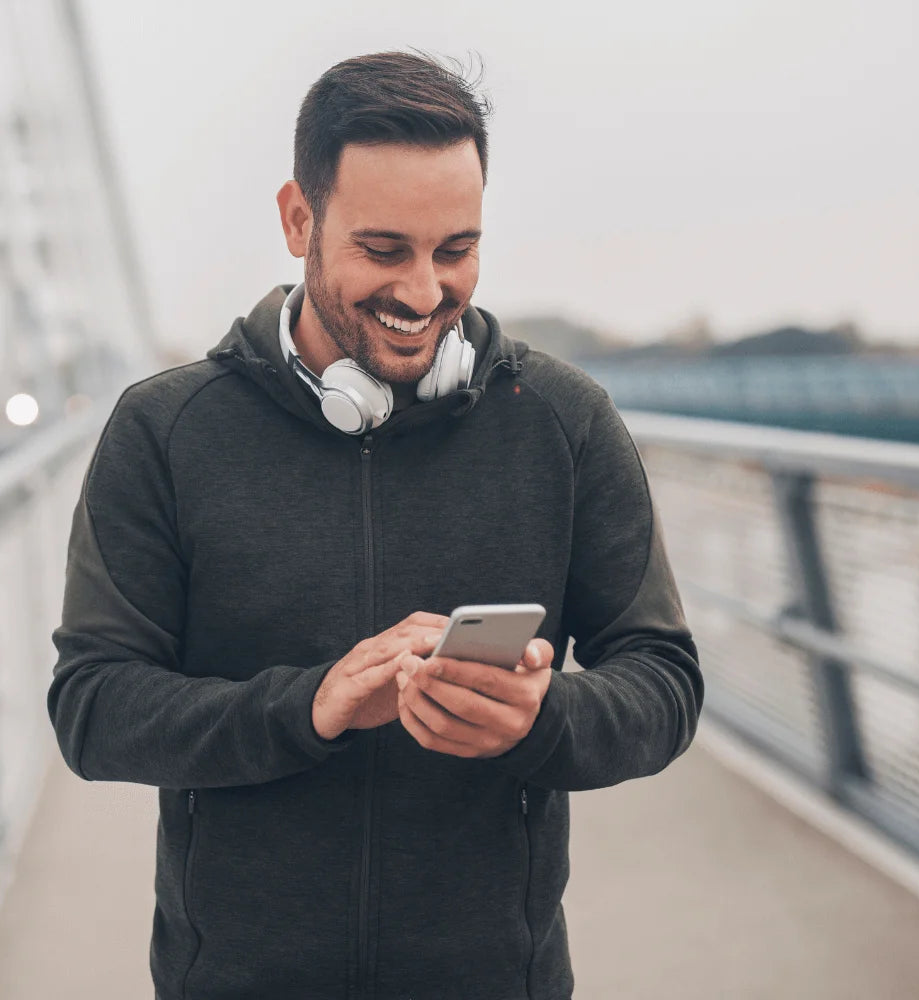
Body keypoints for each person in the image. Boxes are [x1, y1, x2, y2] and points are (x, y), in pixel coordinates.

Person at [48, 50, 703, 1000]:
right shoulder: (165, 433)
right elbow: (93, 709)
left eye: (457, 250)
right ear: (298, 219)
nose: (427, 293)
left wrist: (542, 717)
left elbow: (665, 683)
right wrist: (307, 708)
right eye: (385, 251)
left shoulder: (564, 424)